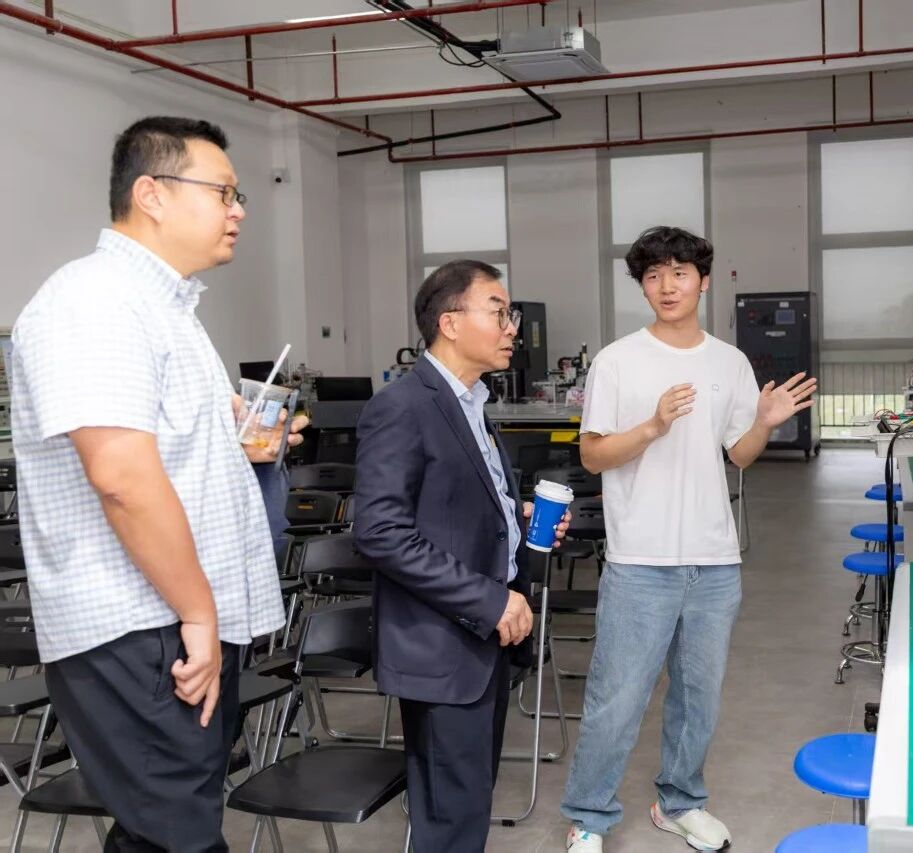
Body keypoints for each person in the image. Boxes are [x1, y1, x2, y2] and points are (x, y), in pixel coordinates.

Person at [9, 116, 302, 851]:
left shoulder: (166, 309)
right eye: (224, 192)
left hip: (175, 614)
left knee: (165, 828)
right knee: (177, 832)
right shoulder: (95, 301)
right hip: (142, 620)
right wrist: (197, 613)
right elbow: (121, 477)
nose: (239, 211)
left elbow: (162, 453)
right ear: (152, 194)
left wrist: (241, 443)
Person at [561, 227, 817, 852]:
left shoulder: (729, 362)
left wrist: (764, 423)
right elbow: (592, 456)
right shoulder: (617, 361)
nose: (666, 286)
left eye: (679, 273)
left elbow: (739, 455)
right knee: (618, 699)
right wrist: (652, 426)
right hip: (640, 560)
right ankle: (588, 817)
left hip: (714, 561)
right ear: (642, 287)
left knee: (698, 699)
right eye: (653, 276)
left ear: (703, 281)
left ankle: (680, 803)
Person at [354, 260, 569, 852]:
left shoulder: (471, 403)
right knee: (451, 819)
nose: (512, 327)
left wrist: (516, 516)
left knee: (468, 804)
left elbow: (453, 504)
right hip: (443, 642)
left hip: (483, 637)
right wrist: (489, 599)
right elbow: (380, 531)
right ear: (450, 323)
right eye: (498, 312)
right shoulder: (403, 406)